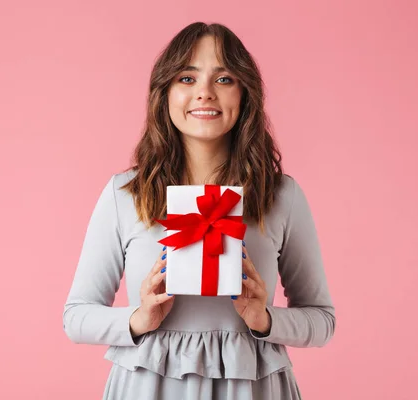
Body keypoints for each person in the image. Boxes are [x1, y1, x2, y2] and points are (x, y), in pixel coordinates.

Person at [63, 22, 336, 400]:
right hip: (147, 385)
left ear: (244, 94)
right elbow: (76, 317)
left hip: (252, 387)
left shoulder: (281, 196)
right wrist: (139, 318)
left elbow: (322, 320)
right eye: (187, 78)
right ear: (165, 92)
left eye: (224, 79)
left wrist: (266, 319)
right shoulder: (125, 194)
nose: (204, 93)